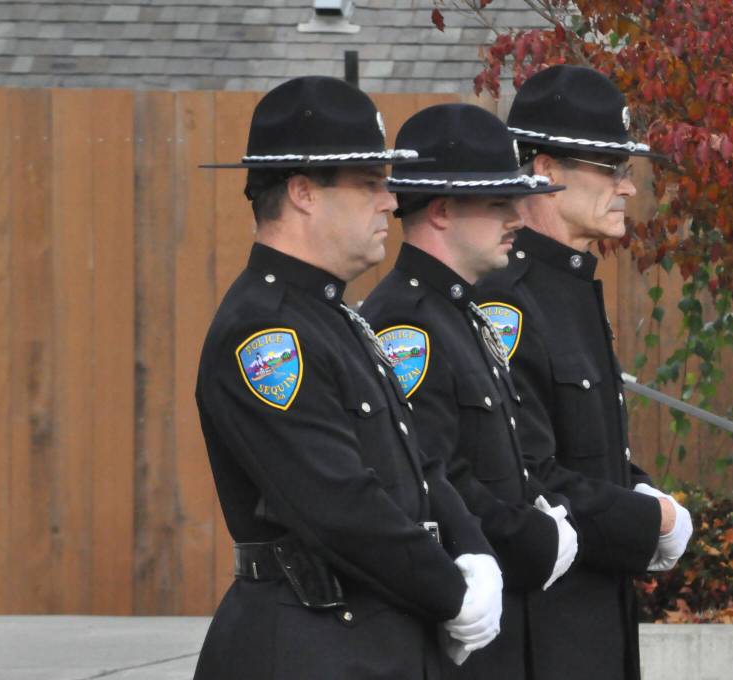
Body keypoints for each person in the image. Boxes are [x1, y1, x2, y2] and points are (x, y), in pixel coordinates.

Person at [194, 76, 503, 680]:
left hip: (370, 640)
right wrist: (453, 592)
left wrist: (477, 555)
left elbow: (418, 467)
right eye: (368, 184)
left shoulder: (337, 318)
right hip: (309, 645)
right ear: (304, 191)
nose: (390, 200)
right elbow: (338, 505)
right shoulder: (265, 333)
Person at [477, 65, 694, 680]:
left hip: (595, 619)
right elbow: (523, 472)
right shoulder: (507, 301)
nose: (627, 188)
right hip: (541, 632)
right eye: (610, 169)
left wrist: (640, 486)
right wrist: (652, 520)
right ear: (544, 171)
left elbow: (587, 448)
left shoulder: (569, 286)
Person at [360, 103, 578, 678]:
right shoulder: (406, 324)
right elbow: (433, 475)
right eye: (498, 202)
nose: (517, 216)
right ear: (442, 210)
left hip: (503, 618)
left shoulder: (461, 312)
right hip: (460, 627)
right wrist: (532, 539)